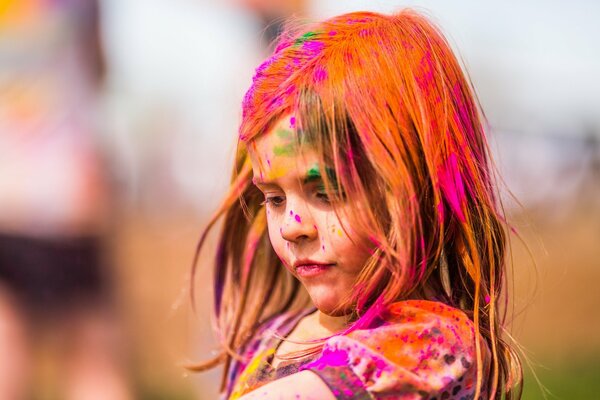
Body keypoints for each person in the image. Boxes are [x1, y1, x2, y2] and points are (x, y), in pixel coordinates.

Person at [190, 9, 523, 400]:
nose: (291, 226)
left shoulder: (433, 349)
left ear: (412, 188)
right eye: (275, 198)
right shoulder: (268, 341)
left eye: (327, 191)